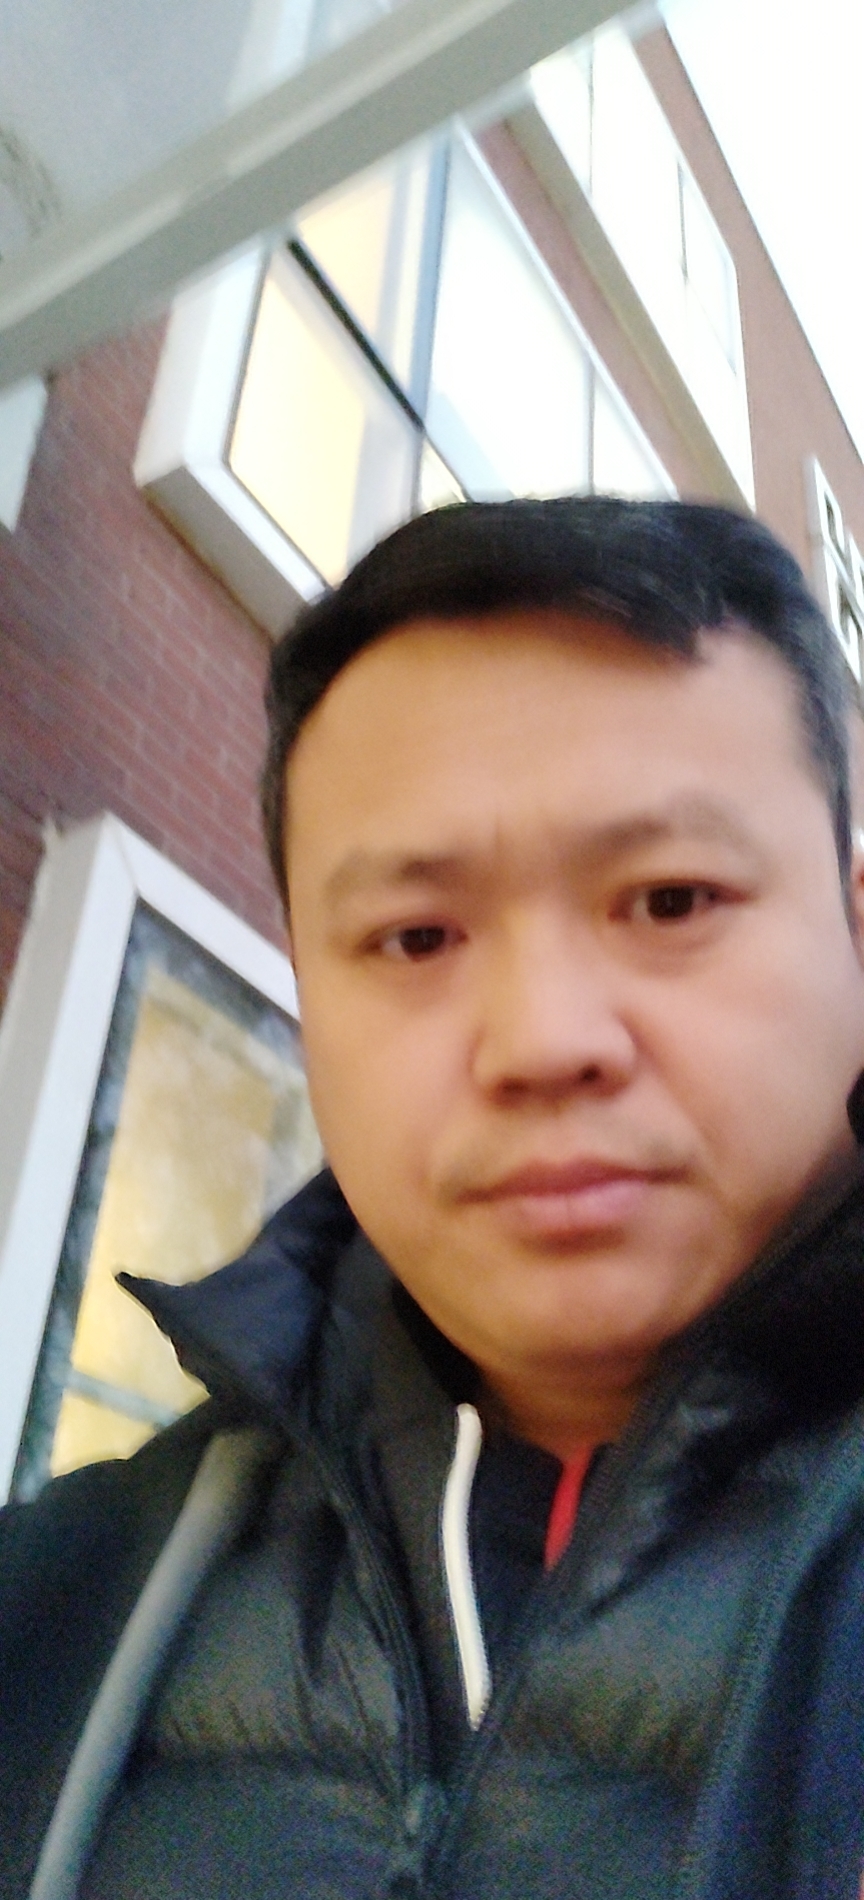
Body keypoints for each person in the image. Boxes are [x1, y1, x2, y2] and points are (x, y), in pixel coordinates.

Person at [3, 493, 864, 1900]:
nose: (542, 1040)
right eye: (415, 937)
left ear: (856, 928)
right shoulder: (59, 1616)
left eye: (670, 901)